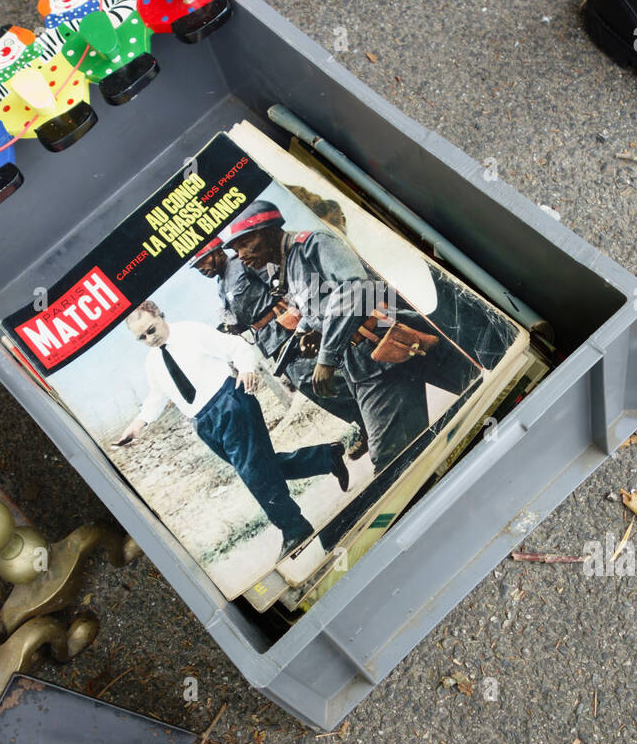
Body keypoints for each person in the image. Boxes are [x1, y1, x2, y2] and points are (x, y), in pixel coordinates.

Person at [115, 300, 348, 561]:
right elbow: (157, 396)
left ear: (159, 315)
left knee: (254, 473)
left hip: (230, 403)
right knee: (260, 467)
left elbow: (236, 346)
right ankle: (326, 457)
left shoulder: (191, 332)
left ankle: (294, 528)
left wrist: (247, 369)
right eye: (142, 337)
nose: (150, 337)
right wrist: (138, 425)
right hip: (204, 424)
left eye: (151, 329)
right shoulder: (152, 363)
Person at [223, 201, 443, 474]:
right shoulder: (288, 265)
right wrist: (307, 329)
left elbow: (355, 289)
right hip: (369, 363)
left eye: (245, 243)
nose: (241, 255)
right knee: (396, 460)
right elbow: (317, 303)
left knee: (396, 464)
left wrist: (326, 358)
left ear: (268, 232)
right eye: (236, 250)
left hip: (388, 341)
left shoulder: (314, 244)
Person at [188, 236, 368, 458]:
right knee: (311, 387)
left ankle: (368, 418)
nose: (201, 269)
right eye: (196, 268)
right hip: (268, 341)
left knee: (320, 381)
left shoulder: (242, 264)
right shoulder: (221, 285)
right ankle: (364, 420)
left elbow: (282, 285)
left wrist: (302, 318)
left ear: (215, 251)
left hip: (286, 329)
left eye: (202, 262)